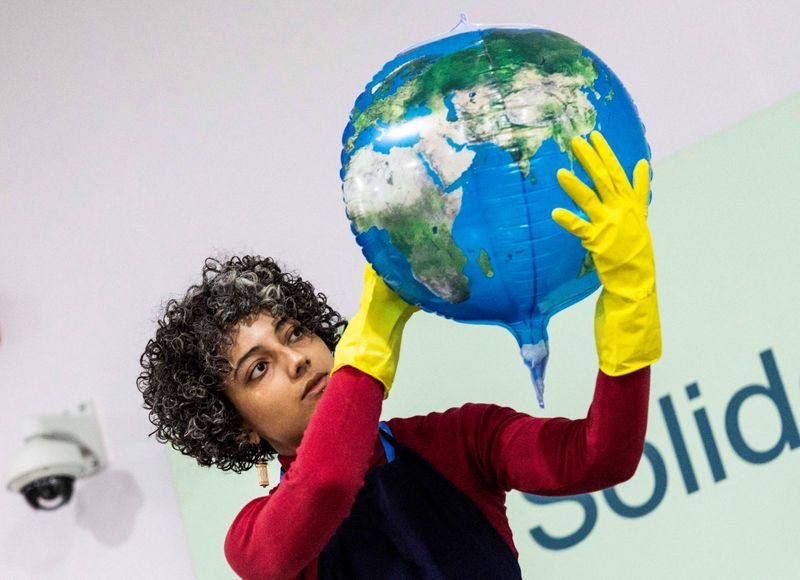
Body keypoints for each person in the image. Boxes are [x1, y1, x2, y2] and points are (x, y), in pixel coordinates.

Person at [137, 132, 661, 580]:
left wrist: (629, 300)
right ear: (238, 427)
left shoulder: (460, 440)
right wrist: (373, 345)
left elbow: (601, 456)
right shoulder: (256, 541)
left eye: (294, 333)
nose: (295, 358)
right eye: (258, 368)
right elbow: (328, 483)